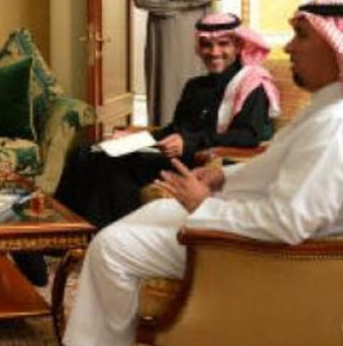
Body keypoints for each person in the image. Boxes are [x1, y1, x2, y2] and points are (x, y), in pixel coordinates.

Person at [63, 0, 343, 346]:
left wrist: (203, 206)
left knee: (112, 247)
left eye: (301, 36)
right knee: (140, 209)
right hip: (252, 225)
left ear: (339, 47)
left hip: (266, 253)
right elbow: (277, 166)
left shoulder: (338, 124)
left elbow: (288, 222)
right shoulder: (334, 109)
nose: (287, 47)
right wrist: (222, 179)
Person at [56, 12, 279, 228]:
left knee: (109, 165)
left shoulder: (252, 84)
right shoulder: (195, 86)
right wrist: (135, 138)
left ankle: (96, 234)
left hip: (200, 162)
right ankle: (62, 231)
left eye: (223, 44)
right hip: (167, 153)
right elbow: (174, 129)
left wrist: (189, 142)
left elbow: (247, 136)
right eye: (206, 45)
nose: (214, 52)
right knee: (85, 152)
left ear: (238, 46)